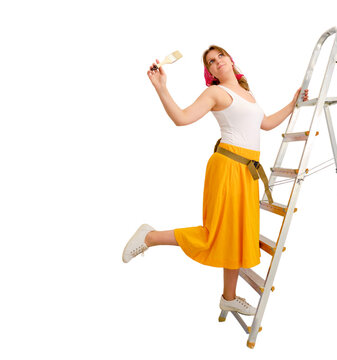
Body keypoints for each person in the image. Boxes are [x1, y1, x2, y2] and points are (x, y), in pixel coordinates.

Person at [122, 45, 308, 316]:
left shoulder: (247, 94)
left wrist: (292, 105)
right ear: (210, 72)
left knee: (236, 236)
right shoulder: (215, 93)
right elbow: (182, 118)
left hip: (247, 172)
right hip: (228, 167)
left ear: (231, 59)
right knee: (216, 235)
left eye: (220, 55)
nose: (217, 61)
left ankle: (229, 297)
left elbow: (265, 124)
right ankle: (150, 236)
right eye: (211, 61)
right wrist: (161, 87)